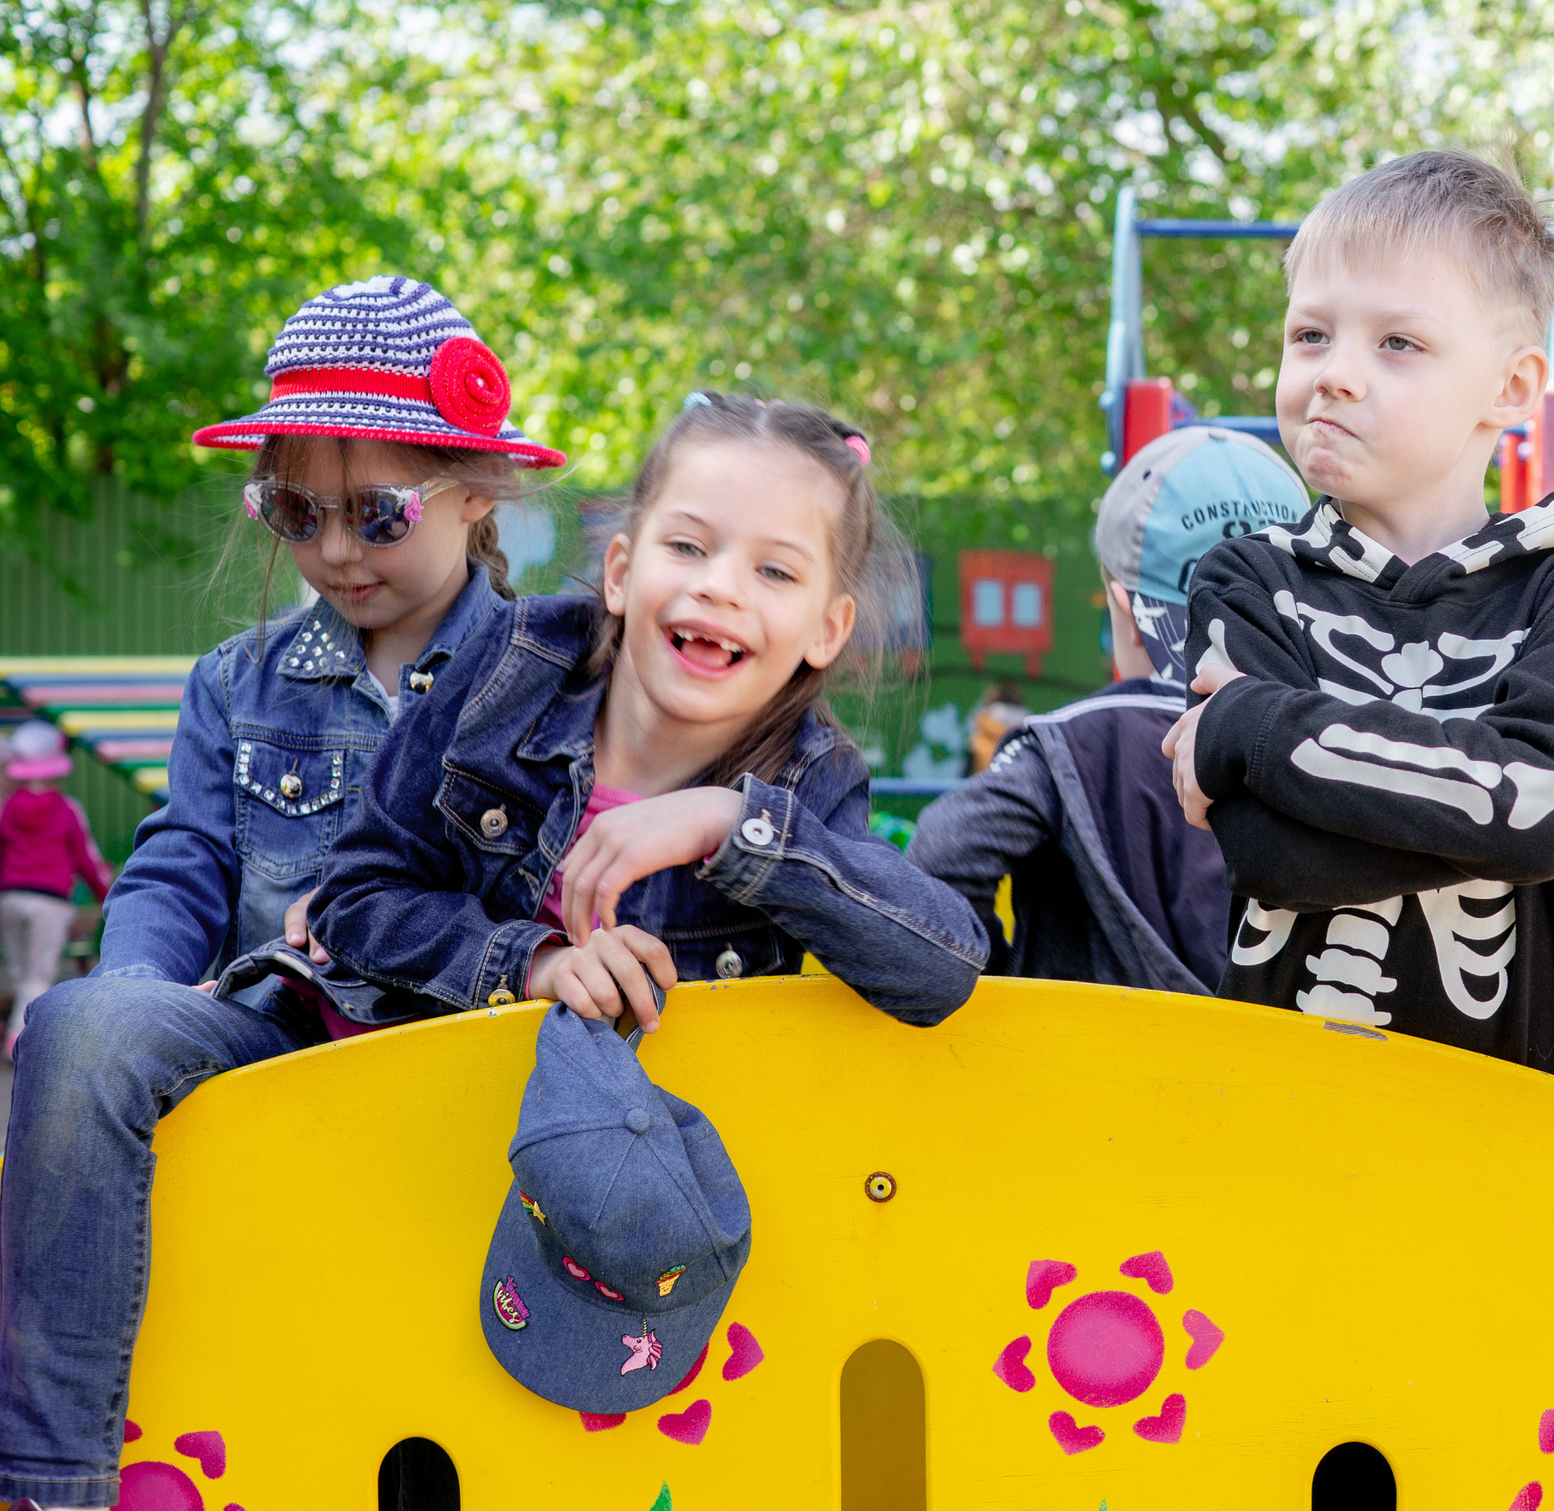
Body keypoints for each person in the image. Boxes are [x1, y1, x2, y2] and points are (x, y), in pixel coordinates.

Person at [0, 274, 557, 1509]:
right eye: (295, 513)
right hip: (282, 1033)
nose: (335, 552)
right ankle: (51, 1478)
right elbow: (182, 861)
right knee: (79, 1025)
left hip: (482, 1050)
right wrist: (136, 989)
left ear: (479, 491)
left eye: (378, 513)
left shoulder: (552, 677)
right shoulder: (237, 682)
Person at [1162, 149, 1554, 1093]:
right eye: (1311, 334)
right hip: (1289, 1122)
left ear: (1512, 388)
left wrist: (1250, 726)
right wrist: (1515, 810)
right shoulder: (1247, 579)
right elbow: (1269, 852)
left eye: (1397, 343)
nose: (1335, 373)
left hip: (1536, 1133)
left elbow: (1542, 813)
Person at [300, 391, 985, 1036]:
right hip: (403, 1067)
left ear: (827, 631)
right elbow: (356, 896)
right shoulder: (512, 665)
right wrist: (539, 966)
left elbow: (943, 968)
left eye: (775, 571)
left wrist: (730, 822)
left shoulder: (810, 776)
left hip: (639, 1104)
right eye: (687, 547)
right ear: (621, 572)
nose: (719, 586)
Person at [911, 425, 1309, 991]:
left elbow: (943, 852)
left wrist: (994, 981)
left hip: (1084, 1042)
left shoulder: (1074, 741)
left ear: (1124, 606)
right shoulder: (1333, 733)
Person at [0, 724, 114, 1054]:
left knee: (20, 971)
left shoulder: (7, 808)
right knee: (39, 975)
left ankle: (16, 1027)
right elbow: (87, 859)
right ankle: (18, 1040)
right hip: (50, 902)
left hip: (10, 897)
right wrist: (107, 897)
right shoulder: (67, 809)